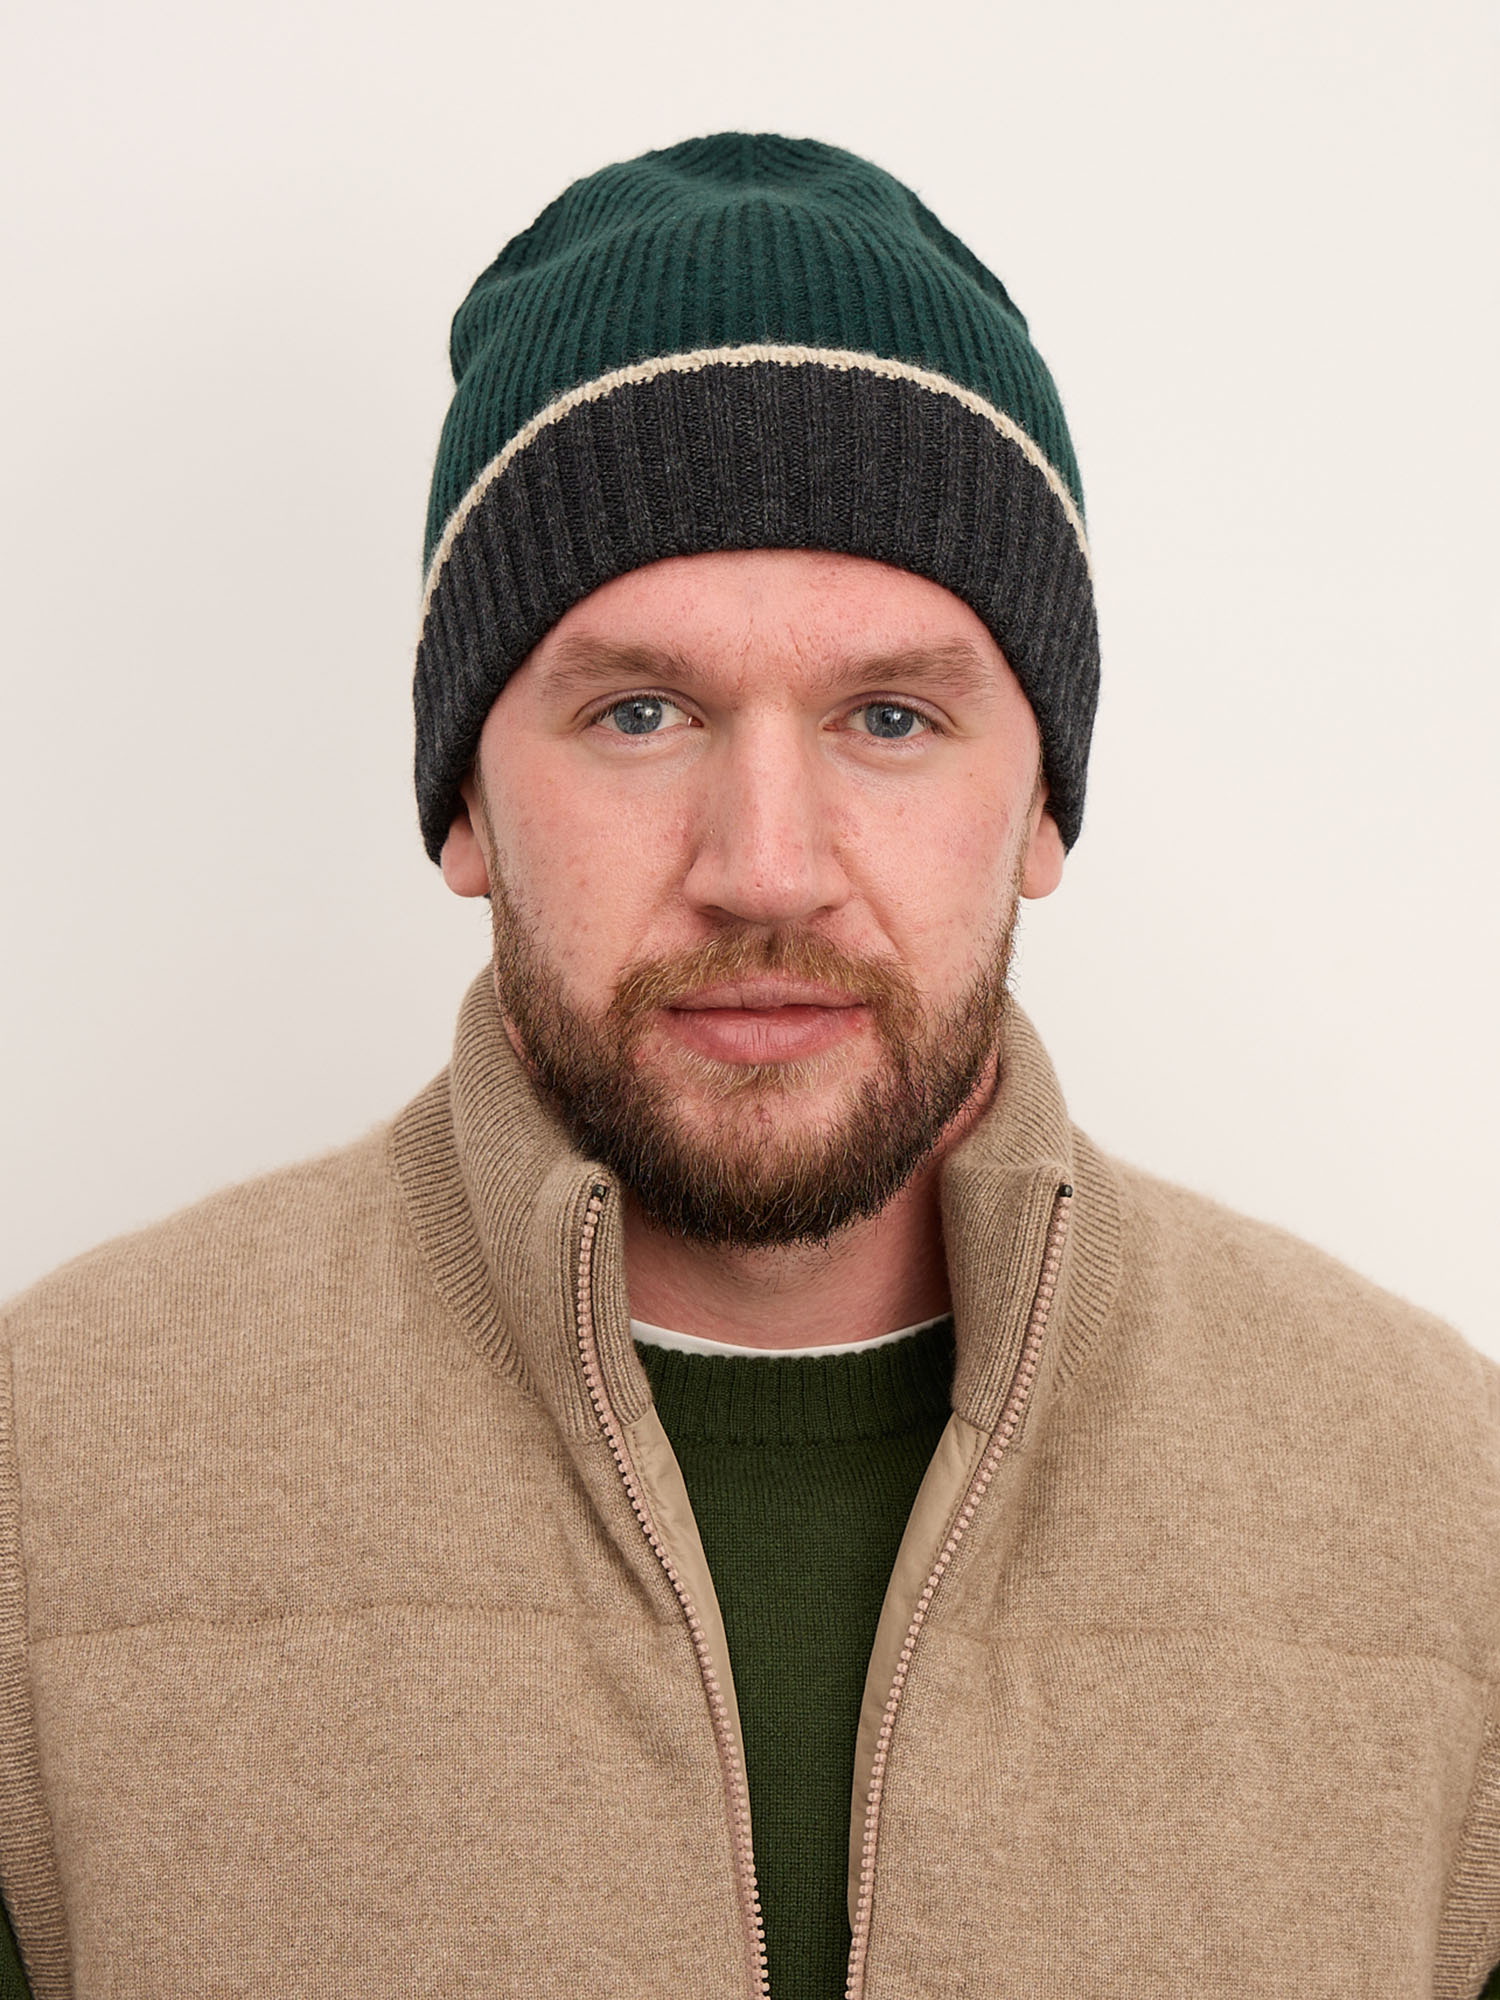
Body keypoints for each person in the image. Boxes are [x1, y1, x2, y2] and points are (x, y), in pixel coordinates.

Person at [0, 131, 1495, 2000]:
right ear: (462, 800)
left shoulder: (1443, 1516)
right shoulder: (45, 1493)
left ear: (1044, 803)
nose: (766, 866)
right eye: (640, 712)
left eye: (892, 716)